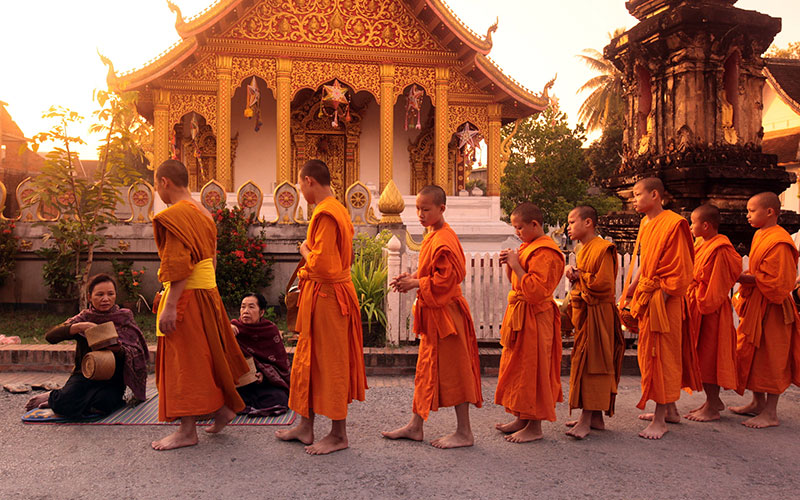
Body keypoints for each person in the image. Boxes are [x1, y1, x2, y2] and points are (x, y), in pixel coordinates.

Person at [151, 159, 249, 451]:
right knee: (205, 356)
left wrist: (170, 304)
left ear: (165, 182)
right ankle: (222, 410)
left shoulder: (176, 214)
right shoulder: (203, 212)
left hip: (187, 295)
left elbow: (180, 264)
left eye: (156, 184)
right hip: (207, 292)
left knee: (186, 361)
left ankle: (186, 430)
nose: (157, 190)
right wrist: (209, 292)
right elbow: (212, 260)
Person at [275, 159, 368, 455]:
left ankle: (339, 434)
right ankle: (305, 425)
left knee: (332, 364)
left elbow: (325, 266)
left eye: (300, 184)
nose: (300, 190)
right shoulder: (336, 208)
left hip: (329, 298)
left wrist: (304, 250)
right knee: (309, 361)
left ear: (309, 180)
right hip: (322, 297)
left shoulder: (326, 214)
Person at [381, 185, 483, 449]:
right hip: (435, 314)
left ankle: (465, 432)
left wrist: (417, 285)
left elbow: (448, 278)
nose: (420, 214)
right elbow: (432, 272)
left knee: (457, 371)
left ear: (441, 209)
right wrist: (413, 278)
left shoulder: (445, 239)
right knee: (425, 370)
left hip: (448, 316)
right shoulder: (432, 235)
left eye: (426, 209)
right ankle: (416, 426)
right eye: (418, 208)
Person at [620, 177, 700, 440]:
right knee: (649, 353)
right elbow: (648, 261)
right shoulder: (647, 222)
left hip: (665, 300)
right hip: (650, 295)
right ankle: (671, 410)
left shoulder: (675, 224)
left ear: (655, 195)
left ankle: (659, 418)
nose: (633, 199)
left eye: (636, 194)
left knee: (660, 355)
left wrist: (659, 302)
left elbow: (679, 270)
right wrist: (632, 288)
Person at [25, 274, 149, 418]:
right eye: (100, 294)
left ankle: (66, 396)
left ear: (116, 295)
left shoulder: (124, 317)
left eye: (110, 294)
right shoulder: (84, 318)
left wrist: (117, 349)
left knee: (103, 405)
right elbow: (51, 337)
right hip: (84, 376)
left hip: (113, 380)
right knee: (63, 405)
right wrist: (80, 327)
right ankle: (56, 397)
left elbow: (135, 350)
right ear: (89, 297)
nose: (105, 299)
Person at [492, 202, 564, 443]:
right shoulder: (528, 247)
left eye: (520, 227)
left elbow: (535, 291)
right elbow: (517, 281)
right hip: (520, 315)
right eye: (515, 228)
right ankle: (522, 417)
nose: (517, 232)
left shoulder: (546, 252)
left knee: (534, 370)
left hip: (535, 317)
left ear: (535, 224)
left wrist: (515, 263)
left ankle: (535, 426)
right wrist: (510, 264)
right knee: (518, 368)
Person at [730, 192, 800, 428]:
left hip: (774, 308)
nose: (747, 215)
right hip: (758, 305)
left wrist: (742, 278)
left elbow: (779, 283)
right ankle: (757, 403)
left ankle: (771, 412)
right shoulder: (761, 234)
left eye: (752, 210)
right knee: (752, 354)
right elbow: (761, 271)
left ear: (769, 212)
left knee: (772, 357)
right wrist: (747, 277)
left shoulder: (780, 240)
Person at [564, 205, 625, 439]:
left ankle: (586, 419)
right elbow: (584, 280)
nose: (568, 227)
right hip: (586, 314)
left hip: (599, 314)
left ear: (588, 223)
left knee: (594, 364)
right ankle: (595, 417)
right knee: (584, 361)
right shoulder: (582, 248)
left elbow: (605, 285)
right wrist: (574, 273)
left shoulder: (604, 248)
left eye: (571, 222)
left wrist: (580, 275)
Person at [684, 204, 742, 422]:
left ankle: (713, 406)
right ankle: (711, 401)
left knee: (711, 357)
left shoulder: (720, 249)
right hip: (699, 306)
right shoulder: (702, 244)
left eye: (693, 223)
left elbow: (716, 286)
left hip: (711, 309)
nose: (690, 227)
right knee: (700, 356)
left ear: (705, 226)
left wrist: (701, 302)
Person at [231, 292, 290, 416]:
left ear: (261, 312)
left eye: (251, 307)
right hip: (237, 382)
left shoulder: (270, 330)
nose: (245, 311)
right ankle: (244, 405)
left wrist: (264, 374)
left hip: (263, 382)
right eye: (243, 307)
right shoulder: (232, 329)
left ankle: (244, 406)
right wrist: (225, 331)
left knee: (279, 397)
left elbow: (280, 364)